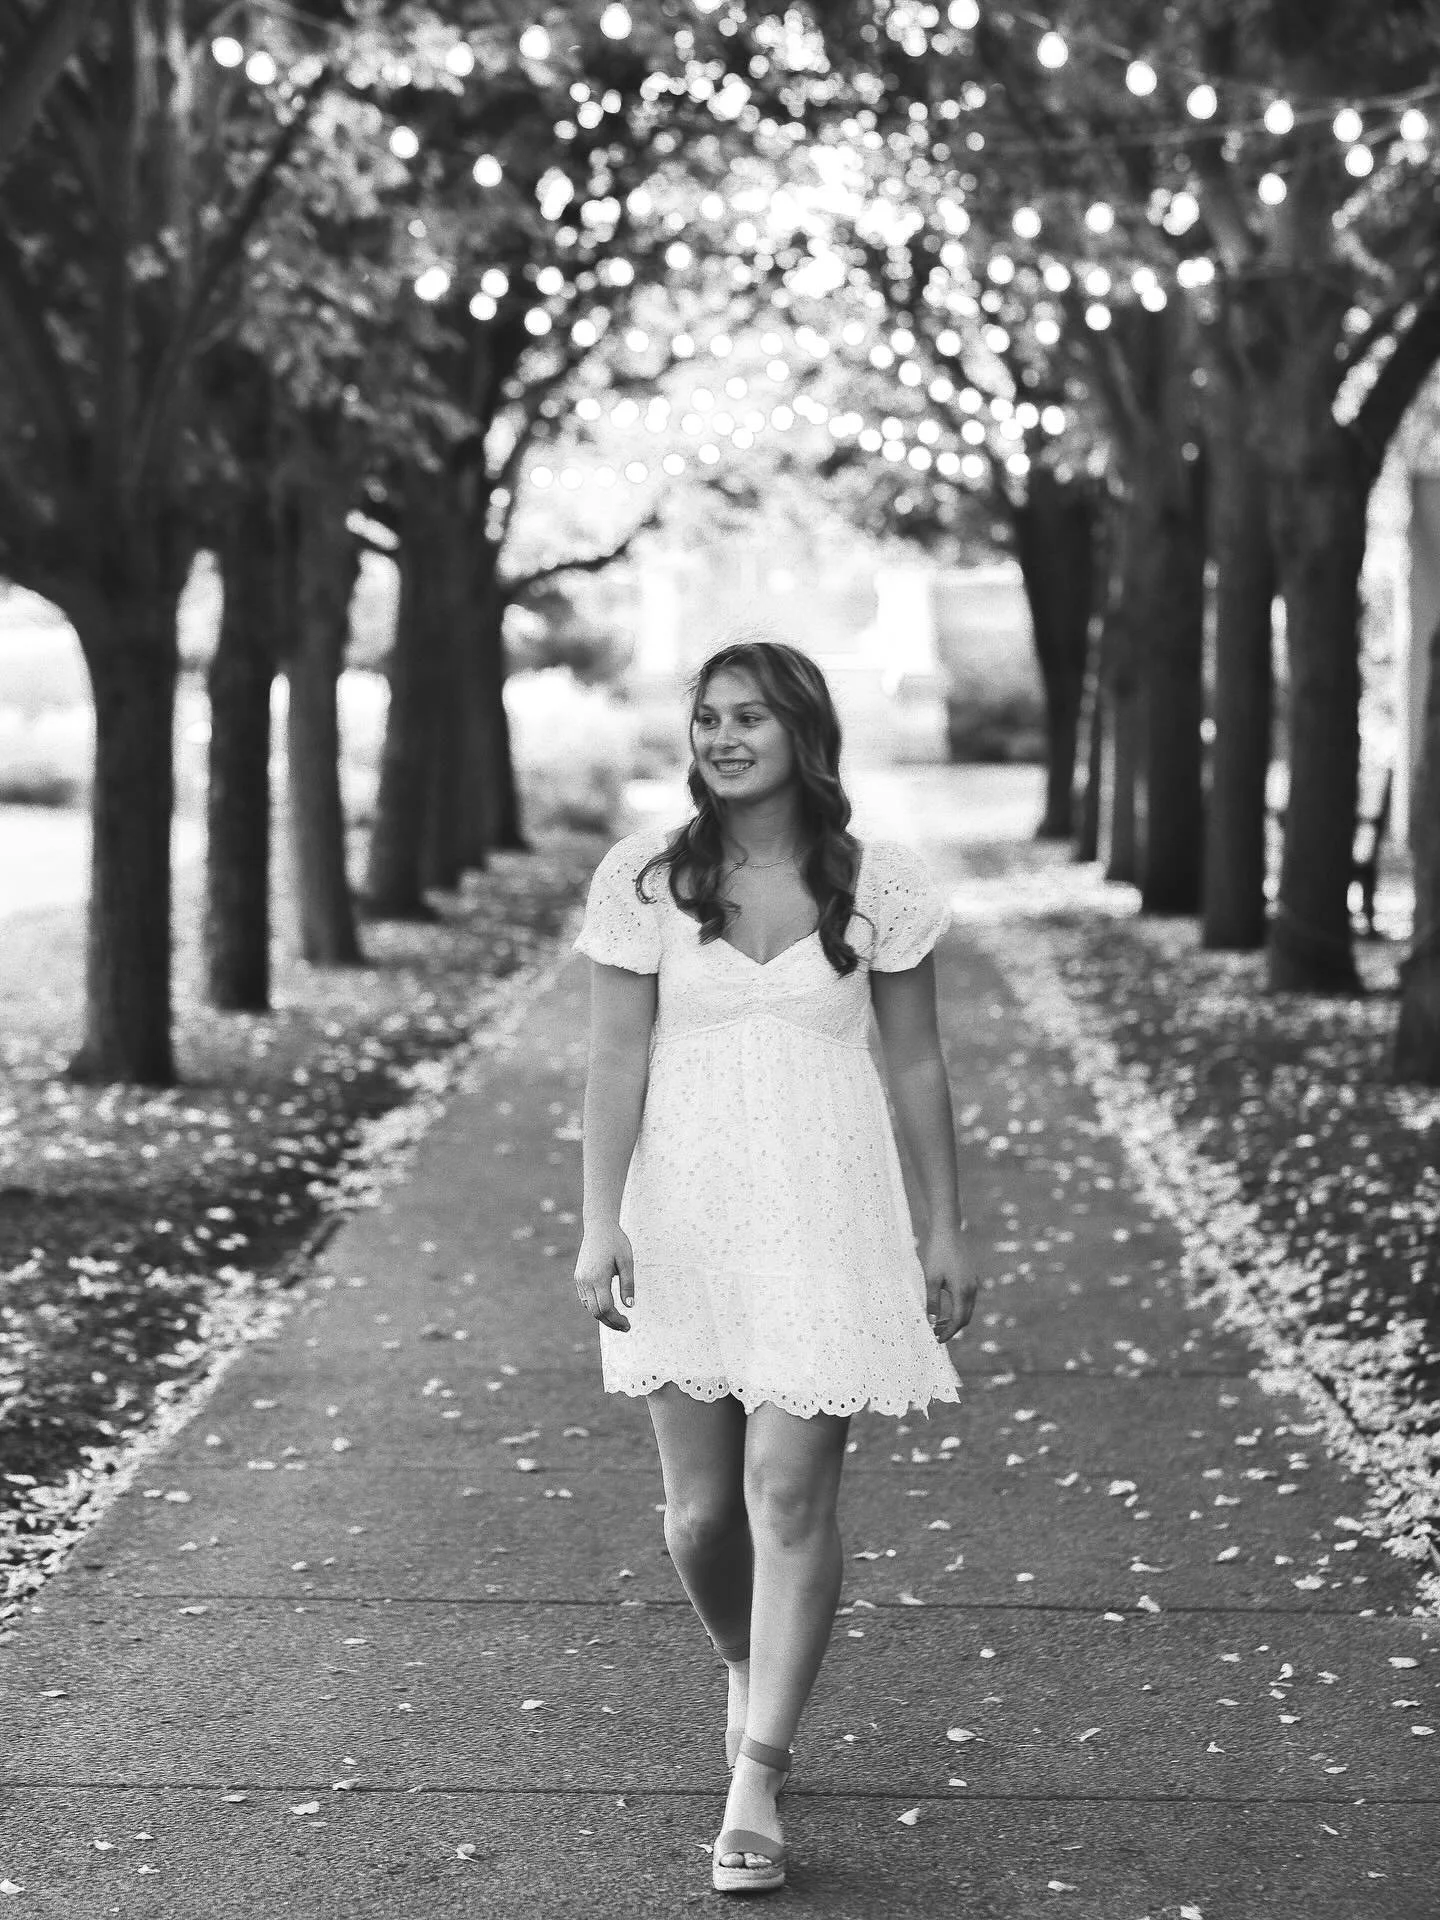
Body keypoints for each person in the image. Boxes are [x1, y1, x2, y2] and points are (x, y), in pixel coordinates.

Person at [571, 637, 979, 1895]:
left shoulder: (880, 885)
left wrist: (943, 1225)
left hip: (829, 1214)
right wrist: (599, 1221)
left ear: (805, 730)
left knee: (790, 1497)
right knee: (700, 1517)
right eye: (708, 717)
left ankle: (759, 1773)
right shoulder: (645, 877)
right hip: (682, 1215)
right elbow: (615, 1063)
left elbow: (915, 1064)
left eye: (751, 716)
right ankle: (749, 1658)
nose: (725, 736)